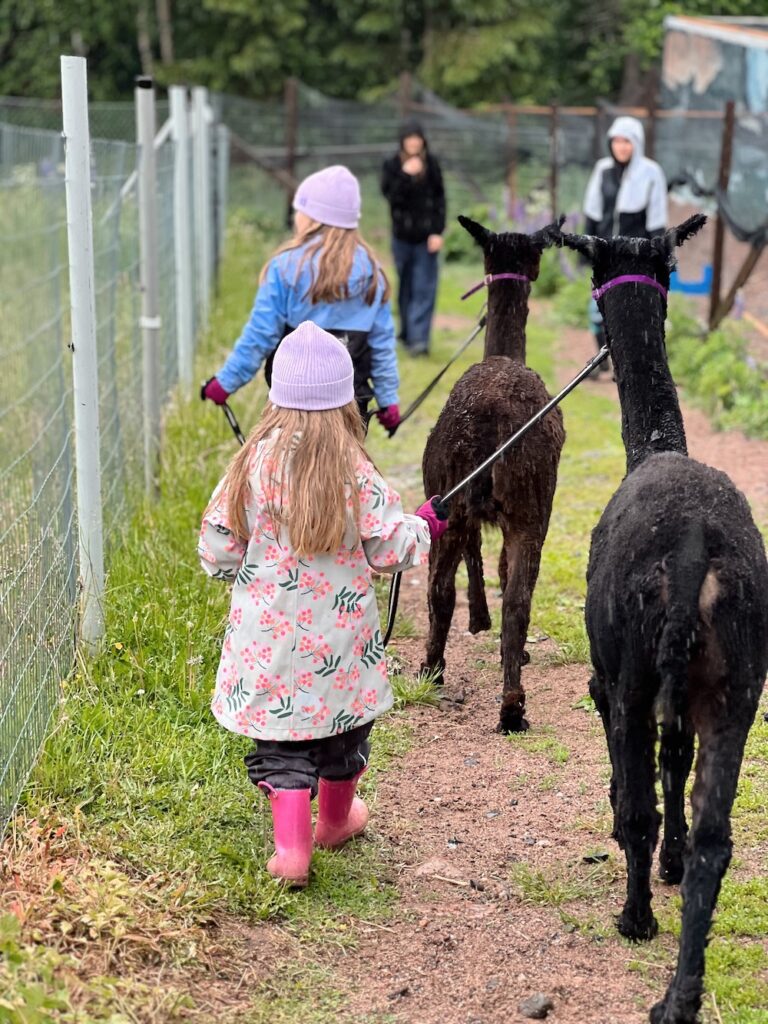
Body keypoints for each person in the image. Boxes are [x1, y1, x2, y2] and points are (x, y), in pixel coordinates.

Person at [198, 322, 448, 887]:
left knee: (283, 745)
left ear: (275, 396)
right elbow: (390, 548)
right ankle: (335, 820)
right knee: (342, 736)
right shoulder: (355, 469)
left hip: (267, 645)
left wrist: (239, 567)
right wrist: (425, 525)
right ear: (346, 399)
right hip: (340, 649)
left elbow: (217, 546)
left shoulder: (251, 464)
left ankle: (291, 851)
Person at [202, 165, 401, 433]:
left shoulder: (285, 268)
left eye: (300, 210)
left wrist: (225, 383)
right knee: (345, 470)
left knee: (294, 470)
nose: (296, 216)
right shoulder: (372, 274)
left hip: (290, 402)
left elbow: (260, 335)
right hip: (350, 403)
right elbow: (382, 344)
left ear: (315, 218)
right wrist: (388, 400)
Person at [582, 115, 668, 372]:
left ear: (637, 144)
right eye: (617, 141)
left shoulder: (651, 173)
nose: (621, 146)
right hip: (605, 253)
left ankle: (630, 363)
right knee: (597, 306)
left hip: (635, 255)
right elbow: (593, 210)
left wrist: (657, 257)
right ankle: (603, 357)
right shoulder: (603, 170)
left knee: (631, 309)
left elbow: (656, 219)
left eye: (627, 141)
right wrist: (586, 249)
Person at [381, 122, 446, 355]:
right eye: (409, 138)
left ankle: (420, 341)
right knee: (405, 287)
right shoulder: (392, 165)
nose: (414, 142)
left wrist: (438, 231)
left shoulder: (432, 164)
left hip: (426, 238)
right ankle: (407, 334)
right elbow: (391, 196)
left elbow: (440, 200)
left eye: (417, 137)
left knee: (424, 287)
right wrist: (406, 175)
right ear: (403, 141)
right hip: (402, 237)